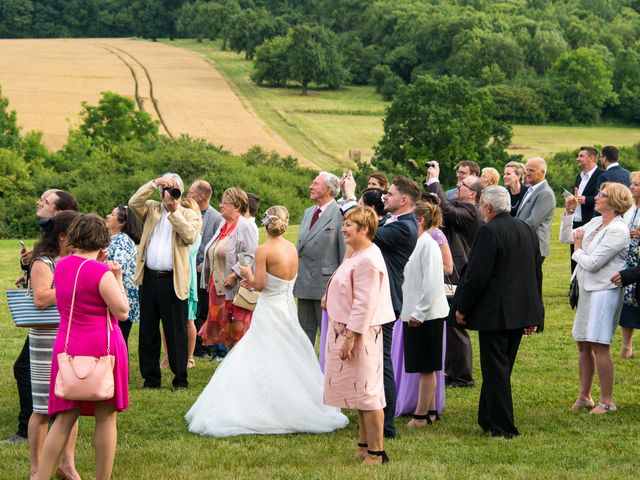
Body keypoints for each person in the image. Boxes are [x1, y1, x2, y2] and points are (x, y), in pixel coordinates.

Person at [186, 206, 348, 436]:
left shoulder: (264, 251)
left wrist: (246, 272)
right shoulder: (291, 248)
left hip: (270, 306)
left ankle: (263, 406)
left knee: (261, 352)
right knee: (289, 352)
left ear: (266, 223)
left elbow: (260, 285)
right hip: (287, 307)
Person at [34, 214, 130, 480]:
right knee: (106, 417)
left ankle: (41, 476)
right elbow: (122, 311)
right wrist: (118, 277)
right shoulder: (101, 271)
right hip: (102, 346)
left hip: (67, 344)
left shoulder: (62, 265)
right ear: (102, 241)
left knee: (64, 417)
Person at [452, 186, 544, 438]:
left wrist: (462, 307)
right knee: (501, 368)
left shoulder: (489, 231)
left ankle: (504, 427)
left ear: (489, 208)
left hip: (496, 314)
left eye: (481, 206)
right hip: (520, 311)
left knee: (496, 370)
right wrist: (535, 313)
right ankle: (488, 417)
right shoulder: (525, 228)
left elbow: (476, 275)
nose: (480, 210)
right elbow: (536, 272)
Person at [2, 189, 78, 447]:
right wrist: (30, 272)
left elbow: (48, 292)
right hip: (50, 325)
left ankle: (31, 428)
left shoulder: (67, 248)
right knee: (35, 372)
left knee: (29, 370)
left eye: (46, 201)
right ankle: (42, 424)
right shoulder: (48, 250)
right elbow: (47, 285)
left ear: (59, 214)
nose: (39, 203)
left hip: (59, 326)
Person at [323, 207, 395, 465]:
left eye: (349, 224)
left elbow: (365, 302)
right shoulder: (356, 252)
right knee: (358, 392)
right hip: (346, 327)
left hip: (361, 332)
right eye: (344, 223)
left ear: (364, 229)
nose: (344, 228)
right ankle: (363, 445)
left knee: (368, 392)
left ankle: (376, 452)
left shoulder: (369, 259)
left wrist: (351, 336)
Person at [561, 182, 632, 414]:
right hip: (586, 289)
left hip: (604, 291)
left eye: (602, 195)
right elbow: (565, 238)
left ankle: (607, 400)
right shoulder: (595, 222)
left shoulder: (618, 230)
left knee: (600, 345)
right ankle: (584, 397)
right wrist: (569, 214)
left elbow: (593, 263)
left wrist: (578, 249)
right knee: (583, 342)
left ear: (614, 202)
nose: (596, 197)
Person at [129, 174, 202, 390]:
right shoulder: (152, 208)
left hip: (173, 281)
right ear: (162, 192)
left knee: (175, 331)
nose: (172, 195)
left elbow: (190, 236)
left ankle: (180, 379)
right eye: (169, 190)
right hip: (149, 278)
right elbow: (134, 203)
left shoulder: (189, 214)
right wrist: (154, 183)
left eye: (176, 190)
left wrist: (175, 211)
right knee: (148, 331)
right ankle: (151, 379)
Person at [26, 211, 81, 480]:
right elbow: (40, 298)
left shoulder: (73, 260)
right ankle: (36, 468)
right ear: (62, 236)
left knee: (71, 404)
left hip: (71, 336)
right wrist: (75, 285)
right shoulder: (43, 261)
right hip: (45, 339)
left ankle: (67, 464)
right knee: (42, 409)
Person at [425, 162, 485, 389]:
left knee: (455, 327)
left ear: (473, 193)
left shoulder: (471, 212)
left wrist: (435, 182)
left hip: (458, 274)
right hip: (453, 274)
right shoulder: (463, 209)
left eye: (463, 184)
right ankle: (452, 372)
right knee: (448, 327)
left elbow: (447, 211)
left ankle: (462, 377)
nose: (458, 185)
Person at [374, 176, 420, 439]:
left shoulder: (403, 228)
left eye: (389, 194)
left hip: (386, 300)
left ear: (403, 200)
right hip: (380, 298)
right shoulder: (394, 221)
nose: (385, 198)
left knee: (382, 363)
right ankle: (374, 416)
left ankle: (386, 425)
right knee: (376, 361)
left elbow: (366, 231)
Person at [400, 201, 450, 426]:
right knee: (423, 364)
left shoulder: (428, 245)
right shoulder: (418, 243)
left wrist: (418, 313)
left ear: (419, 221)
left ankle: (420, 415)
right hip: (416, 312)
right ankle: (429, 410)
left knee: (426, 366)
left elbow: (431, 283)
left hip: (426, 315)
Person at [199, 187, 258, 358]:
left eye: (225, 203)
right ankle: (230, 367)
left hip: (235, 290)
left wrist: (234, 274)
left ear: (237, 205)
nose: (221, 205)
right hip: (217, 289)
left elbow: (251, 255)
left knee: (236, 332)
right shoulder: (223, 226)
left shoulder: (245, 227)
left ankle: (239, 367)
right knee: (225, 333)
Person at [295, 172, 346, 347]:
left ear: (328, 189)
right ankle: (304, 371)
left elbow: (344, 255)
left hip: (325, 286)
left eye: (315, 184)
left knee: (328, 336)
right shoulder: (308, 212)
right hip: (304, 283)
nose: (311, 186)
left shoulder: (340, 214)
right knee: (303, 335)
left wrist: (338, 287)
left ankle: (326, 372)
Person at [187, 179, 223, 358]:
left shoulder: (217, 218)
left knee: (202, 308)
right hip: (185, 269)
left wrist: (202, 268)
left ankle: (203, 346)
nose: (187, 195)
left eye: (191, 192)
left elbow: (217, 245)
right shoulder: (185, 212)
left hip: (202, 271)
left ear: (201, 196)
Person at [106, 204, 142, 346]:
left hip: (121, 295)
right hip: (118, 293)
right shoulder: (116, 238)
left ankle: (120, 367)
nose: (108, 216)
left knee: (119, 339)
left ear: (121, 223)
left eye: (112, 214)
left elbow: (116, 266)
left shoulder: (122, 240)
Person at [614, 172, 640, 359]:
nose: (632, 187)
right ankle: (626, 346)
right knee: (626, 302)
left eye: (636, 185)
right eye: (632, 183)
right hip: (627, 261)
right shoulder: (629, 208)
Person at [566, 147, 604, 271]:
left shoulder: (601, 175)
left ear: (591, 158)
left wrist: (586, 200)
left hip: (590, 221)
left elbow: (606, 198)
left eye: (581, 156)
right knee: (574, 256)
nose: (578, 158)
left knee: (586, 255)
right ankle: (574, 288)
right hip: (576, 221)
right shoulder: (579, 176)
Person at [516, 157, 556, 262]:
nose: (527, 173)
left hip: (534, 247)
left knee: (531, 278)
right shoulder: (531, 189)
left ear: (542, 172)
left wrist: (512, 232)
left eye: (531, 170)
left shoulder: (545, 193)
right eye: (526, 170)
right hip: (525, 245)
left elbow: (532, 222)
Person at [182, 198, 202, 368]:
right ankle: (167, 356)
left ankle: (189, 357)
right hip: (173, 279)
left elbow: (187, 252)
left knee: (189, 320)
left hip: (188, 281)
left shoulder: (195, 236)